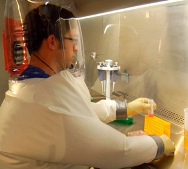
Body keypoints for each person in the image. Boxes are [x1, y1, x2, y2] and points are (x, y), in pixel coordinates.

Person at [0, 2, 175, 169]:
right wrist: (158, 144)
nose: (76, 49)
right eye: (73, 41)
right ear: (53, 42)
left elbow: (79, 112)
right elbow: (118, 151)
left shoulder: (40, 82)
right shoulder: (41, 98)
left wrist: (125, 108)